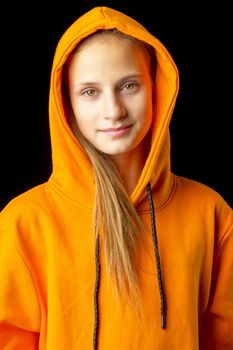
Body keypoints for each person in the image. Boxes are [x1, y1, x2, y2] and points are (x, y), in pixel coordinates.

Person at [0, 6, 232, 349]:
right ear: (67, 103)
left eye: (128, 85)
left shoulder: (210, 212)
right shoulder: (24, 222)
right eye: (90, 91)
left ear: (157, 88)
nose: (114, 110)